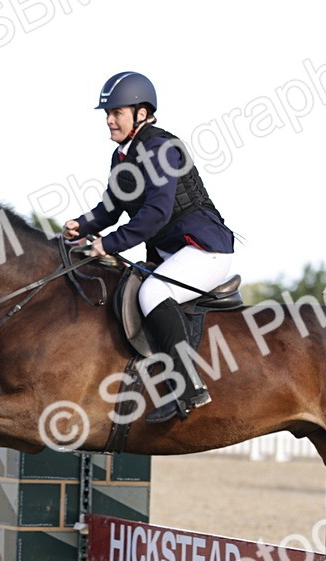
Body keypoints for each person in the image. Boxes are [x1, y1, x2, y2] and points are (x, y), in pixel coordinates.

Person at [63, 71, 235, 424]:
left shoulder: (161, 149)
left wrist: (109, 243)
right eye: (107, 114)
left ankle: (189, 388)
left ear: (141, 113)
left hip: (204, 250)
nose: (109, 120)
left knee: (153, 292)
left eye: (117, 113)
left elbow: (155, 214)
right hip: (173, 253)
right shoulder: (123, 156)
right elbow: (110, 208)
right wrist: (82, 226)